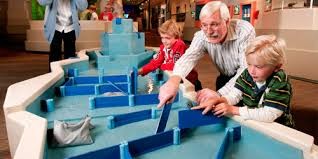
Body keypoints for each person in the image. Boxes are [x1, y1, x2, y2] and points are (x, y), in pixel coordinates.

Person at [157, 1, 255, 108]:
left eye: (214, 24)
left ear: (227, 22)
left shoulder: (244, 31)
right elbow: (188, 58)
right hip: (224, 78)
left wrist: (219, 94)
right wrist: (174, 80)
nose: (208, 31)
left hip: (249, 79)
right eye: (204, 25)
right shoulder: (201, 36)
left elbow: (246, 70)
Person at [192, 35, 294, 127]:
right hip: (253, 122)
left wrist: (232, 109)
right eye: (249, 64)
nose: (251, 71)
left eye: (258, 66)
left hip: (277, 129)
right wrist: (218, 100)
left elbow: (269, 115)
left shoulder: (280, 81)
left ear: (277, 66)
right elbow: (234, 95)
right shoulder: (247, 73)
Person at [138, 20, 202, 91]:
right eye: (162, 37)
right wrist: (141, 71)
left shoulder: (179, 45)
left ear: (176, 37)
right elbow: (155, 62)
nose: (164, 41)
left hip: (190, 81)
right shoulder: (163, 47)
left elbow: (175, 66)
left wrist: (160, 66)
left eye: (167, 38)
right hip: (178, 80)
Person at [37, 0, 88, 71]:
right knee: (54, 55)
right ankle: (53, 75)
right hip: (55, 26)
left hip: (71, 27)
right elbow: (42, 2)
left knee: (70, 56)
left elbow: (83, 7)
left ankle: (70, 77)